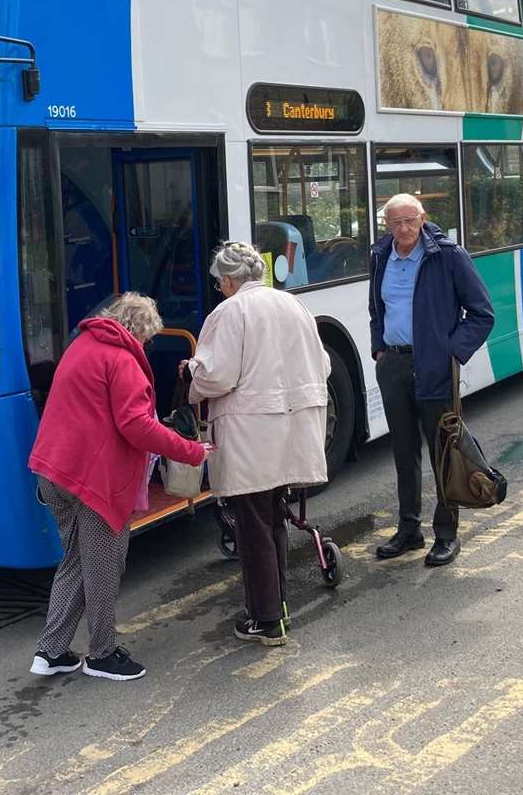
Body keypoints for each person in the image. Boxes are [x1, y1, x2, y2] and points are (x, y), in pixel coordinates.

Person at [28, 293, 210, 681]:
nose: (147, 345)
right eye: (148, 338)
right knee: (105, 566)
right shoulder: (122, 359)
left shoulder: (82, 345)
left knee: (75, 560)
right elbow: (137, 425)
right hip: (94, 480)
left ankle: (52, 651)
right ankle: (102, 655)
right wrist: (191, 450)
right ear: (140, 331)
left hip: (53, 470)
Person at [185, 242, 329, 646]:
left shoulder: (230, 312)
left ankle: (265, 619)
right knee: (273, 517)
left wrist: (191, 376)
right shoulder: (293, 305)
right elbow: (323, 364)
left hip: (251, 432)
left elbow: (218, 376)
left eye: (219, 282)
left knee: (252, 527)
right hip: (294, 427)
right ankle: (276, 606)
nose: (220, 288)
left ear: (229, 279)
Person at [368, 193, 495, 567]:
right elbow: (377, 307)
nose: (403, 229)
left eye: (410, 220)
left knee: (443, 451)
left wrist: (451, 353)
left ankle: (446, 534)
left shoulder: (448, 255)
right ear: (386, 225)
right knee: (403, 453)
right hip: (393, 366)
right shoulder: (380, 257)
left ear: (423, 219)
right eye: (395, 222)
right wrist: (379, 347)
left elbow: (482, 313)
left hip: (435, 367)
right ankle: (409, 530)